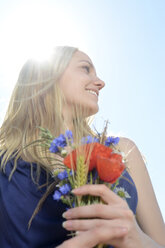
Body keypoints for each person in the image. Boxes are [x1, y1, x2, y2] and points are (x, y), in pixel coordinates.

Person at [0, 46, 164, 248]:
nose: (100, 83)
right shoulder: (6, 163)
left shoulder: (122, 151)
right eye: (86, 69)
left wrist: (136, 238)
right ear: (46, 76)